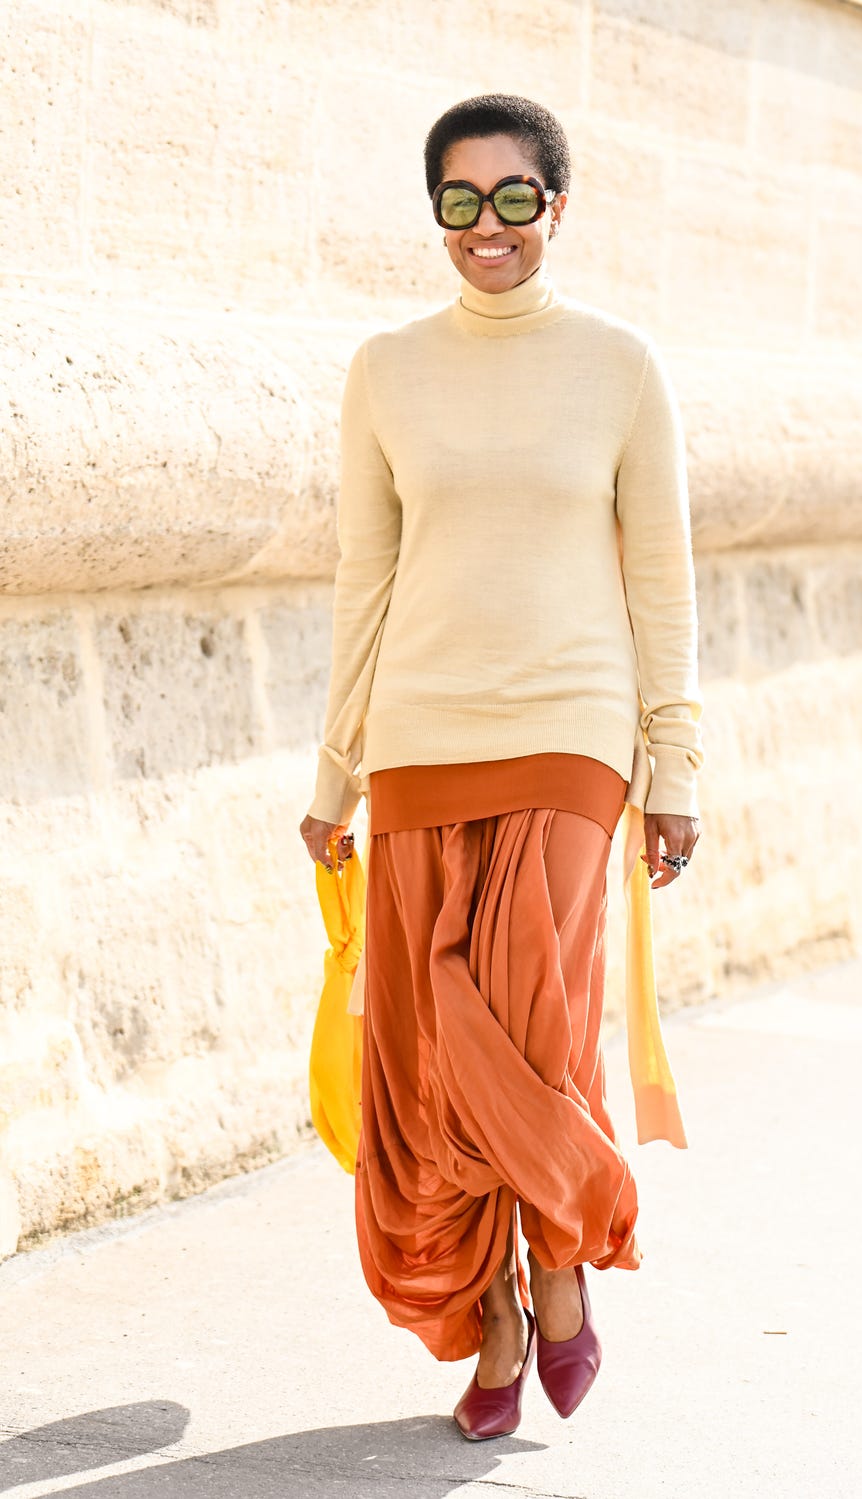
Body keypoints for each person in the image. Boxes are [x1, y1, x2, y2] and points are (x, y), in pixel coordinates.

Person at [299, 93, 704, 1441]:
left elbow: (662, 580)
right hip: (418, 737)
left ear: (557, 207)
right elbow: (367, 580)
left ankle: (563, 1262)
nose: (489, 227)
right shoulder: (384, 370)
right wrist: (336, 774)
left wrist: (677, 766)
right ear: (436, 214)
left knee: (523, 1029)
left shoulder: (623, 366)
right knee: (427, 1059)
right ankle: (498, 1317)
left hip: (571, 732)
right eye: (462, 200)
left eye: (515, 197)